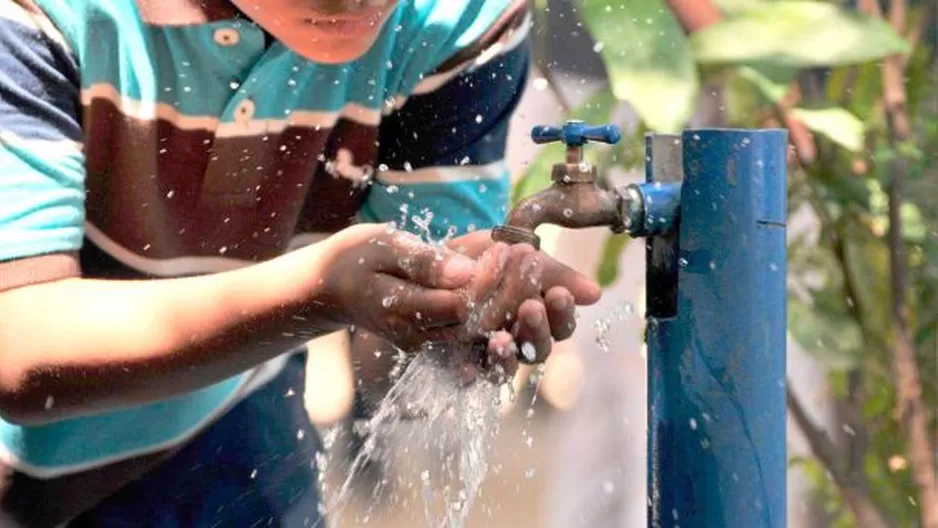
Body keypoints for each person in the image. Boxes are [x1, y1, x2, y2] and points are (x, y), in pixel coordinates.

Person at [0, 0, 602, 526]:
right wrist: (315, 292)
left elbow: (431, 267)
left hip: (229, 422)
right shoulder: (45, 14)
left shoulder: (452, 16)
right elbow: (17, 339)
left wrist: (466, 305)